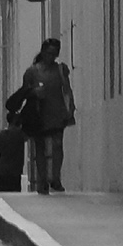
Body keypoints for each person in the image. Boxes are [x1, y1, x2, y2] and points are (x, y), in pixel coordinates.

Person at [22, 35, 76, 194]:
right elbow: (24, 92)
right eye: (49, 53)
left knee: (57, 145)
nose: (51, 57)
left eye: (54, 54)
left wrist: (70, 107)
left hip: (57, 112)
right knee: (40, 147)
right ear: (43, 52)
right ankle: (42, 180)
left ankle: (55, 178)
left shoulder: (60, 70)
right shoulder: (32, 72)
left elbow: (67, 89)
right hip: (39, 114)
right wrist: (34, 92)